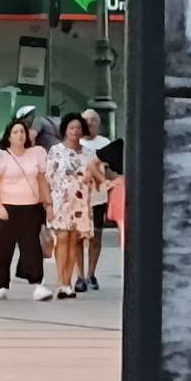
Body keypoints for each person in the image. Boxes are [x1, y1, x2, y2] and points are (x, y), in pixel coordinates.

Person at [0, 119, 54, 302]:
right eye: (15, 132)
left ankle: (38, 284)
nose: (20, 135)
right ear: (8, 136)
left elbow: (41, 180)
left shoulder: (36, 154)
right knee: (1, 248)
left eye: (22, 132)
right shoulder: (1, 156)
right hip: (8, 207)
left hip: (31, 207)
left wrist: (48, 204)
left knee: (32, 247)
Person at [45, 113, 106, 299]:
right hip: (61, 200)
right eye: (72, 128)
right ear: (65, 130)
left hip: (80, 202)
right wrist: (47, 203)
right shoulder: (56, 151)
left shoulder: (89, 154)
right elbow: (48, 177)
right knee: (62, 238)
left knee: (74, 241)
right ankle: (61, 280)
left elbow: (97, 177)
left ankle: (68, 283)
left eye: (78, 128)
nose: (75, 131)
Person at [77, 109, 112, 293]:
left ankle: (91, 273)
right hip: (78, 199)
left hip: (99, 199)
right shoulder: (75, 143)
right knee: (77, 238)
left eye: (93, 120)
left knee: (95, 237)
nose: (90, 123)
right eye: (87, 120)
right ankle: (79, 276)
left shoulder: (105, 143)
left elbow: (110, 171)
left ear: (98, 124)